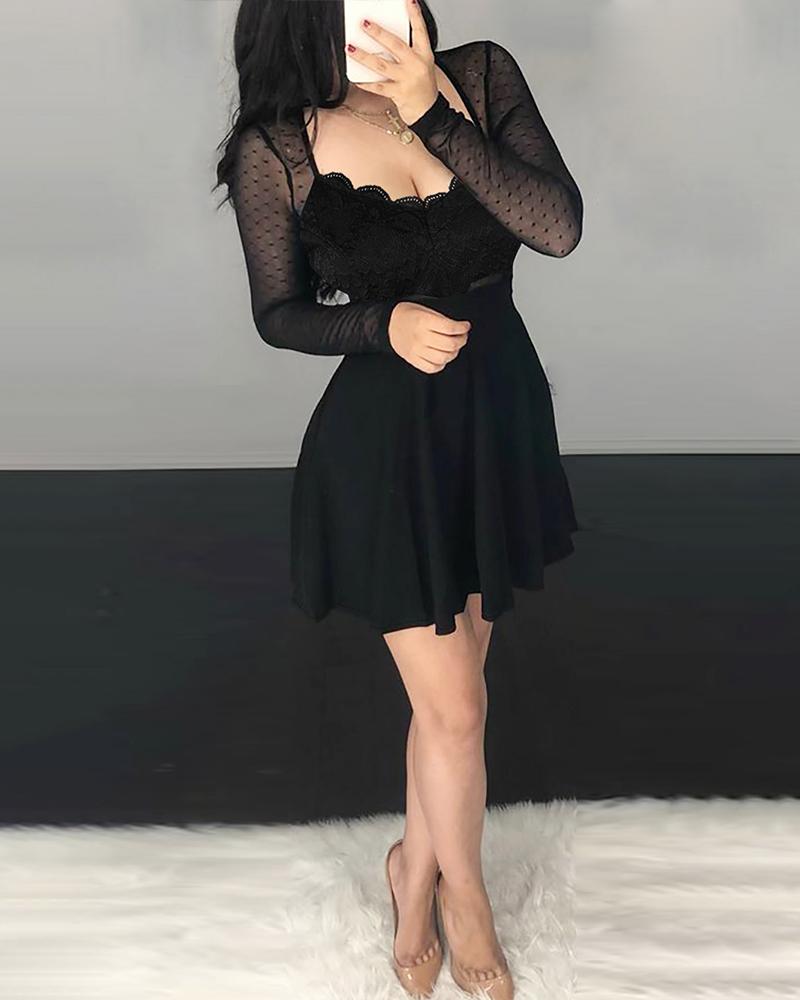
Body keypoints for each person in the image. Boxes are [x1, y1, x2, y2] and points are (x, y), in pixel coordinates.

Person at [216, 0, 583, 995]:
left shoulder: (480, 75)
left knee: (450, 701)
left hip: (494, 422)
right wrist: (380, 326)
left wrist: (434, 117)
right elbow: (278, 312)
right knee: (456, 708)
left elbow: (556, 228)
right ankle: (465, 898)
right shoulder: (278, 145)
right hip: (387, 450)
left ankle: (409, 867)